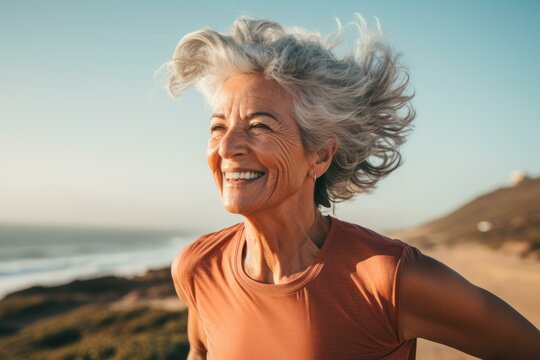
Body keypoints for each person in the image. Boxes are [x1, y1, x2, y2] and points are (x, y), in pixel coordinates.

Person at [166, 16, 540, 360]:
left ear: (320, 156)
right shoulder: (198, 267)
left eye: (260, 126)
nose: (228, 147)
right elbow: (200, 351)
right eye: (217, 127)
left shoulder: (388, 280)